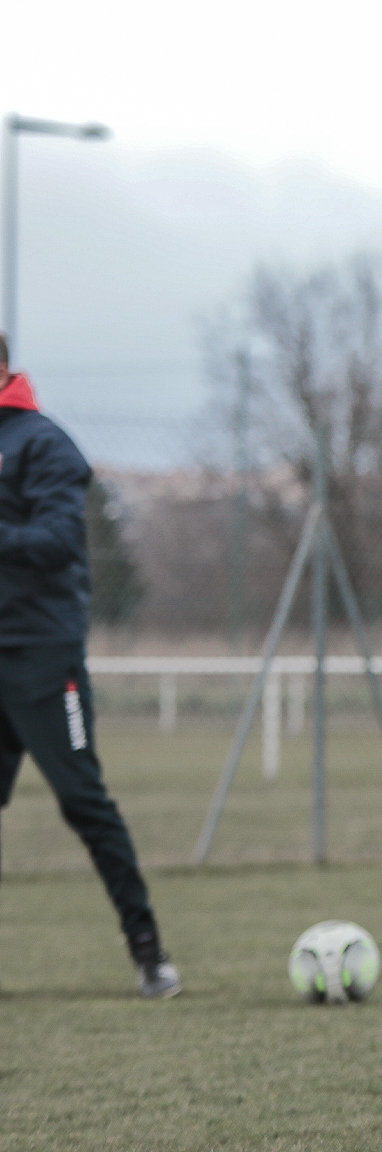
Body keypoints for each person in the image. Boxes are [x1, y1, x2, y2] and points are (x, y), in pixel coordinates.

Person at [0, 332, 180, 999]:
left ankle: (149, 952)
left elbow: (55, 541)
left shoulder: (43, 444)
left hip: (43, 658)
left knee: (84, 802)